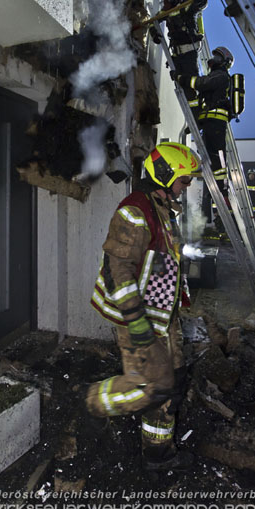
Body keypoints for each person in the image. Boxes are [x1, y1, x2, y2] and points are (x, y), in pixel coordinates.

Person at [84, 142, 201, 470]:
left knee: (172, 384)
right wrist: (136, 322)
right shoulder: (135, 210)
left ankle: (158, 453)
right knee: (152, 386)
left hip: (162, 316)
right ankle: (86, 402)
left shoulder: (161, 206)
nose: (186, 186)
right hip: (138, 317)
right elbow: (116, 270)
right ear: (164, 175)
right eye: (184, 180)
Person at [174, 46, 233, 219]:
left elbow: (201, 84)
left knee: (218, 156)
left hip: (216, 122)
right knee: (210, 157)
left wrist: (181, 78)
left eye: (217, 56)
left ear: (225, 62)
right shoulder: (215, 75)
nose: (213, 58)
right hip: (208, 121)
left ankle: (223, 191)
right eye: (214, 55)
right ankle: (215, 190)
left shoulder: (221, 76)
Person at [152, 0, 207, 118]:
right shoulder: (168, 9)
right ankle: (191, 116)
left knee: (190, 86)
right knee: (182, 87)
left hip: (189, 52)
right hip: (176, 55)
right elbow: (155, 21)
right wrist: (154, 32)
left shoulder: (187, 2)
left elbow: (202, 1)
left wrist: (199, 1)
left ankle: (197, 117)